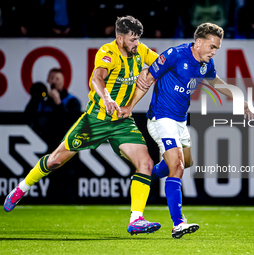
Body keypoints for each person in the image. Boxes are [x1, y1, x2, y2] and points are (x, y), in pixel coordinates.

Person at [4, 16, 161, 236]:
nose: (136, 43)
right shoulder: (108, 52)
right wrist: (106, 97)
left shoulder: (141, 51)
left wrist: (164, 70)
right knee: (55, 160)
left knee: (145, 163)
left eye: (138, 39)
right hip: (95, 119)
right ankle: (21, 189)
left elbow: (162, 64)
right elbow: (96, 78)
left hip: (122, 121)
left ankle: (136, 219)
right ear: (119, 38)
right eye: (132, 39)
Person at [119, 22, 254, 238]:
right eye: (212, 47)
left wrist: (240, 100)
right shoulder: (175, 54)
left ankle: (147, 174)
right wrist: (129, 107)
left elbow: (217, 83)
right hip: (161, 118)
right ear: (198, 42)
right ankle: (178, 223)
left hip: (180, 121)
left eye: (217, 48)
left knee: (187, 162)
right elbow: (147, 79)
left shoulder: (205, 64)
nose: (214, 52)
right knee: (178, 166)